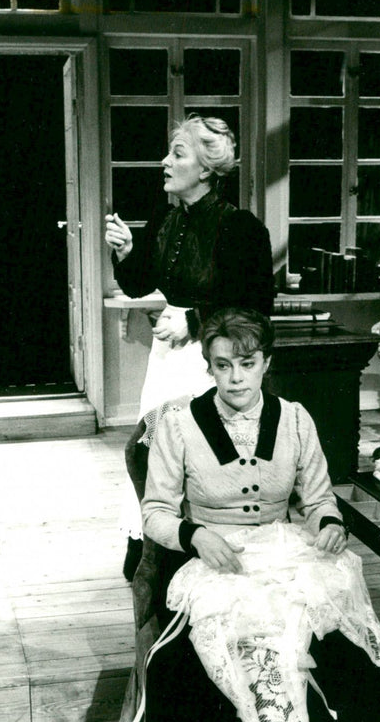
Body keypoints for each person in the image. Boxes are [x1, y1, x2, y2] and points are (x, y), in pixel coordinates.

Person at [129, 307, 380, 722]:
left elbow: (320, 497)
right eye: (223, 364)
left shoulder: (297, 419)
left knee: (342, 665)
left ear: (267, 364)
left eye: (247, 364)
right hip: (219, 562)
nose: (236, 377)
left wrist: (330, 523)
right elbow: (155, 513)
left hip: (288, 555)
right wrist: (194, 533)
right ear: (208, 367)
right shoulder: (177, 425)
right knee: (236, 665)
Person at [104, 114, 275, 579]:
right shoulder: (165, 216)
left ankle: (199, 545)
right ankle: (146, 539)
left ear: (204, 169)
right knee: (151, 448)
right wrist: (124, 251)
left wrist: (195, 320)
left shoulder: (241, 228)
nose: (164, 161)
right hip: (167, 362)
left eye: (177, 153)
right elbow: (140, 284)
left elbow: (258, 307)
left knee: (198, 457)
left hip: (212, 366)